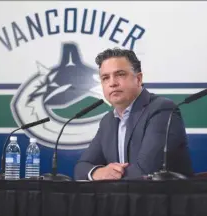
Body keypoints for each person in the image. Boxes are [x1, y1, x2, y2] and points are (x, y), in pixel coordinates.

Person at [74, 48, 194, 180]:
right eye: (105, 78)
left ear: (138, 79)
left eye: (120, 74)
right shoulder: (108, 121)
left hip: (163, 198)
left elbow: (147, 171)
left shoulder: (162, 110)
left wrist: (108, 175)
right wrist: (97, 173)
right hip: (122, 199)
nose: (112, 83)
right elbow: (81, 168)